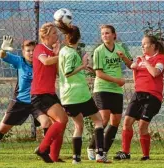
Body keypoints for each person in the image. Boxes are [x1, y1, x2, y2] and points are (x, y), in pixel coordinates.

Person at [0, 36, 51, 160]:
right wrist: (3, 49)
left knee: (47, 123)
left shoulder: (42, 62)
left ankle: (46, 151)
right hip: (20, 102)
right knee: (2, 129)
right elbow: (2, 55)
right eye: (28, 50)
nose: (31, 53)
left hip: (37, 102)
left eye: (33, 50)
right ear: (23, 52)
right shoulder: (19, 61)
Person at [56, 22, 111, 164]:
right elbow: (68, 72)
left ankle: (76, 159)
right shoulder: (72, 53)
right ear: (79, 38)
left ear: (66, 37)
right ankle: (100, 154)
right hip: (80, 93)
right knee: (98, 120)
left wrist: (82, 65)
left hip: (67, 97)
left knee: (78, 125)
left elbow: (63, 71)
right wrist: (82, 65)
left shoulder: (62, 51)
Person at [114, 35, 164, 160]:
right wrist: (125, 59)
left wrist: (145, 61)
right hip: (138, 94)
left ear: (153, 46)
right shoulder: (139, 59)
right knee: (127, 122)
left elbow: (155, 73)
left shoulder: (160, 58)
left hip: (153, 96)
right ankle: (125, 153)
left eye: (145, 44)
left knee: (142, 125)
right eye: (141, 44)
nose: (142, 46)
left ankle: (146, 156)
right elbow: (133, 70)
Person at [87, 25, 133, 160]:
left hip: (116, 89)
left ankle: (104, 151)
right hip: (102, 87)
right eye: (102, 34)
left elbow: (131, 64)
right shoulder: (99, 51)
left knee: (116, 120)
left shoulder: (120, 48)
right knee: (104, 119)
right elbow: (99, 73)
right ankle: (92, 147)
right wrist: (116, 80)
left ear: (114, 35)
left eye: (107, 33)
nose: (105, 36)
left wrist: (123, 57)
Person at [31, 22, 68, 163]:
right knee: (62, 120)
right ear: (45, 35)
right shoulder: (39, 48)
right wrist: (61, 55)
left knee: (60, 125)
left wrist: (58, 53)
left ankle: (53, 157)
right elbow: (45, 62)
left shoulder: (53, 52)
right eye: (53, 33)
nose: (56, 35)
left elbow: (57, 72)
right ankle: (42, 149)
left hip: (49, 93)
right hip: (40, 94)